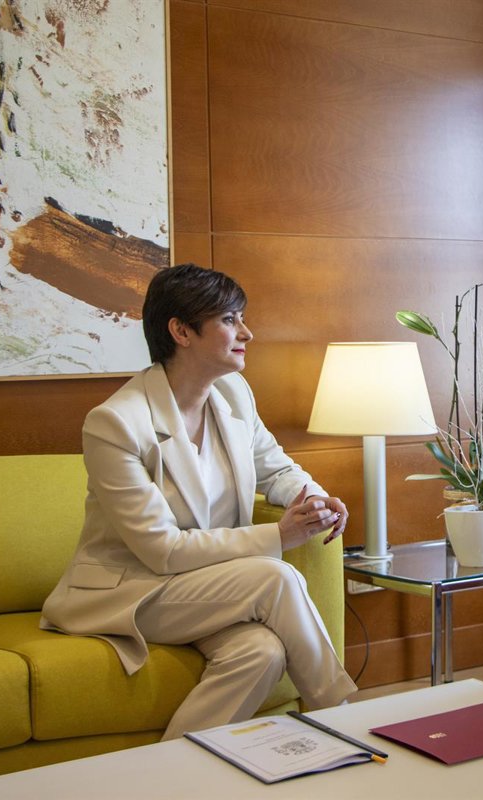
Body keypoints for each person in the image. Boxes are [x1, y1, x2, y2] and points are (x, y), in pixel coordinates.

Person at [41, 263, 357, 740]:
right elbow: (162, 551)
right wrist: (279, 535)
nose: (246, 332)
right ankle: (347, 720)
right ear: (182, 331)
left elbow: (276, 468)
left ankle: (169, 772)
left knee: (261, 653)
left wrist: (314, 501)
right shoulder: (116, 423)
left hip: (208, 586)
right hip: (135, 590)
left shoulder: (233, 393)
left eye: (242, 318)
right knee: (276, 576)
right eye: (229, 320)